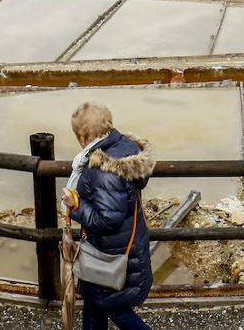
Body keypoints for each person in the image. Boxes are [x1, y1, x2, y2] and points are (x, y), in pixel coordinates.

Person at [60, 102, 155, 330]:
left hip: (110, 253)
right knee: (95, 303)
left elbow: (107, 220)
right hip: (121, 248)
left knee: (114, 308)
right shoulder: (124, 148)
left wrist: (76, 205)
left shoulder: (103, 169)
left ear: (83, 137)